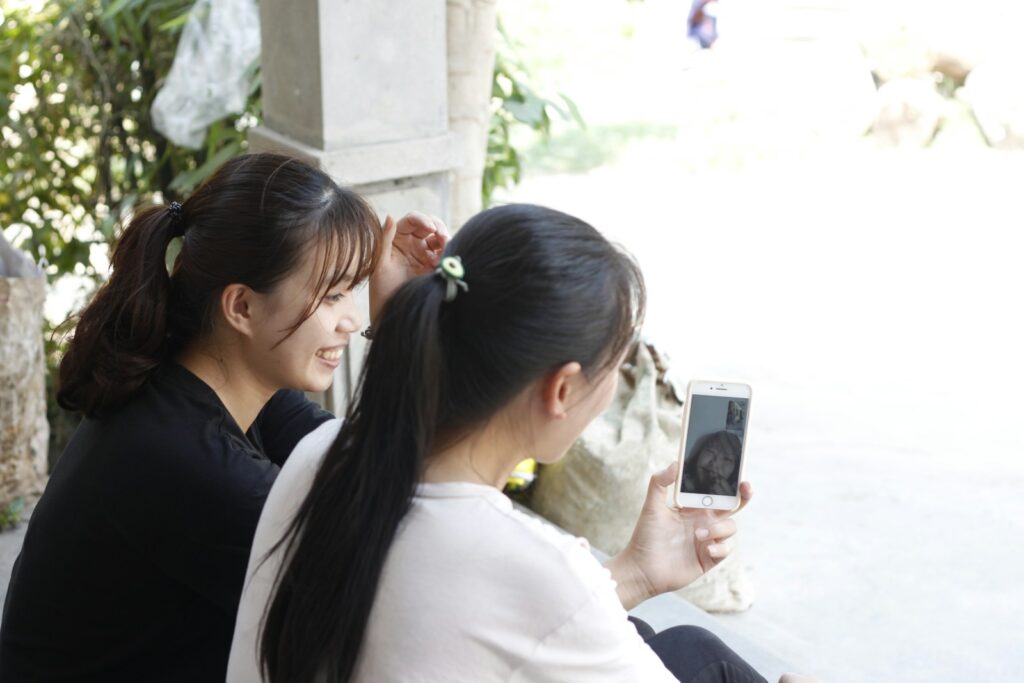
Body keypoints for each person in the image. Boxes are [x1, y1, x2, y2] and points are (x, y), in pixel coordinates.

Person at [227, 203, 772, 683]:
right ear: (560, 389)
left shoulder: (320, 456)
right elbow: (529, 600)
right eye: (615, 367)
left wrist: (636, 572)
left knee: (688, 648)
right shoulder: (535, 568)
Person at [0, 152, 448, 681]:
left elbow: (369, 465)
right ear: (241, 307)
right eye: (331, 296)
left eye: (352, 290)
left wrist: (399, 319)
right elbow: (392, 573)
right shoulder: (189, 461)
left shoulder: (212, 378)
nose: (352, 319)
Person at [682, 430, 743, 496]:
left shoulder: (737, 496)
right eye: (711, 451)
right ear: (699, 452)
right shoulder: (678, 481)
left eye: (727, 459)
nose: (715, 464)